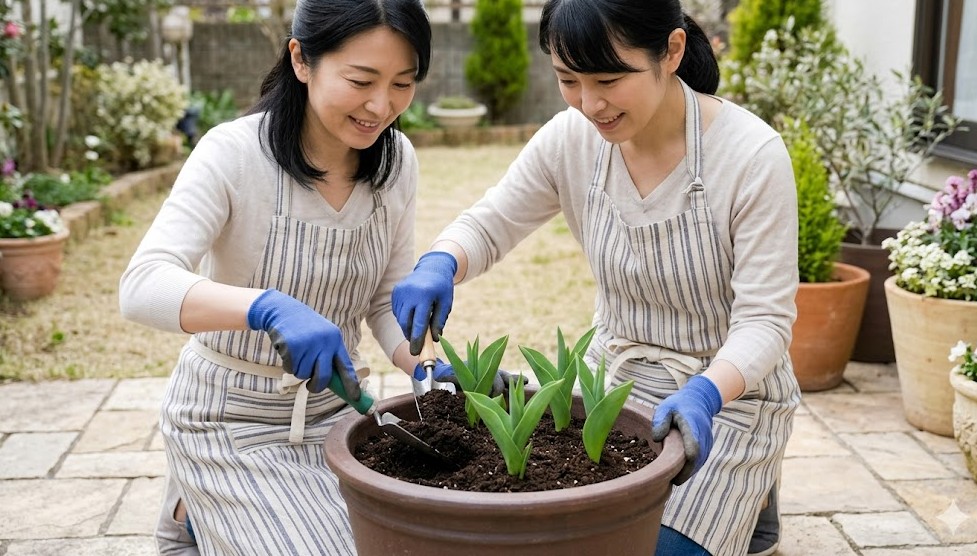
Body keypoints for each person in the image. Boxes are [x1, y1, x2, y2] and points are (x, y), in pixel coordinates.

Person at [391, 1, 801, 555]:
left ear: (672, 51)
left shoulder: (750, 156)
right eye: (568, 80)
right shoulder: (573, 139)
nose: (590, 104)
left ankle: (750, 487)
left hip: (726, 393)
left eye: (609, 79)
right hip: (614, 379)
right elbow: (492, 222)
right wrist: (440, 261)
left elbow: (765, 321)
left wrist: (706, 393)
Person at [119, 1, 442, 554]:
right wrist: (265, 307)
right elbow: (142, 284)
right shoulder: (235, 152)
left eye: (402, 83)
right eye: (361, 80)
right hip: (227, 420)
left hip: (339, 416)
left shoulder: (396, 161)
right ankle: (194, 507)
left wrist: (430, 369)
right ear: (301, 59)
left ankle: (199, 516)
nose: (380, 105)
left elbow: (386, 301)